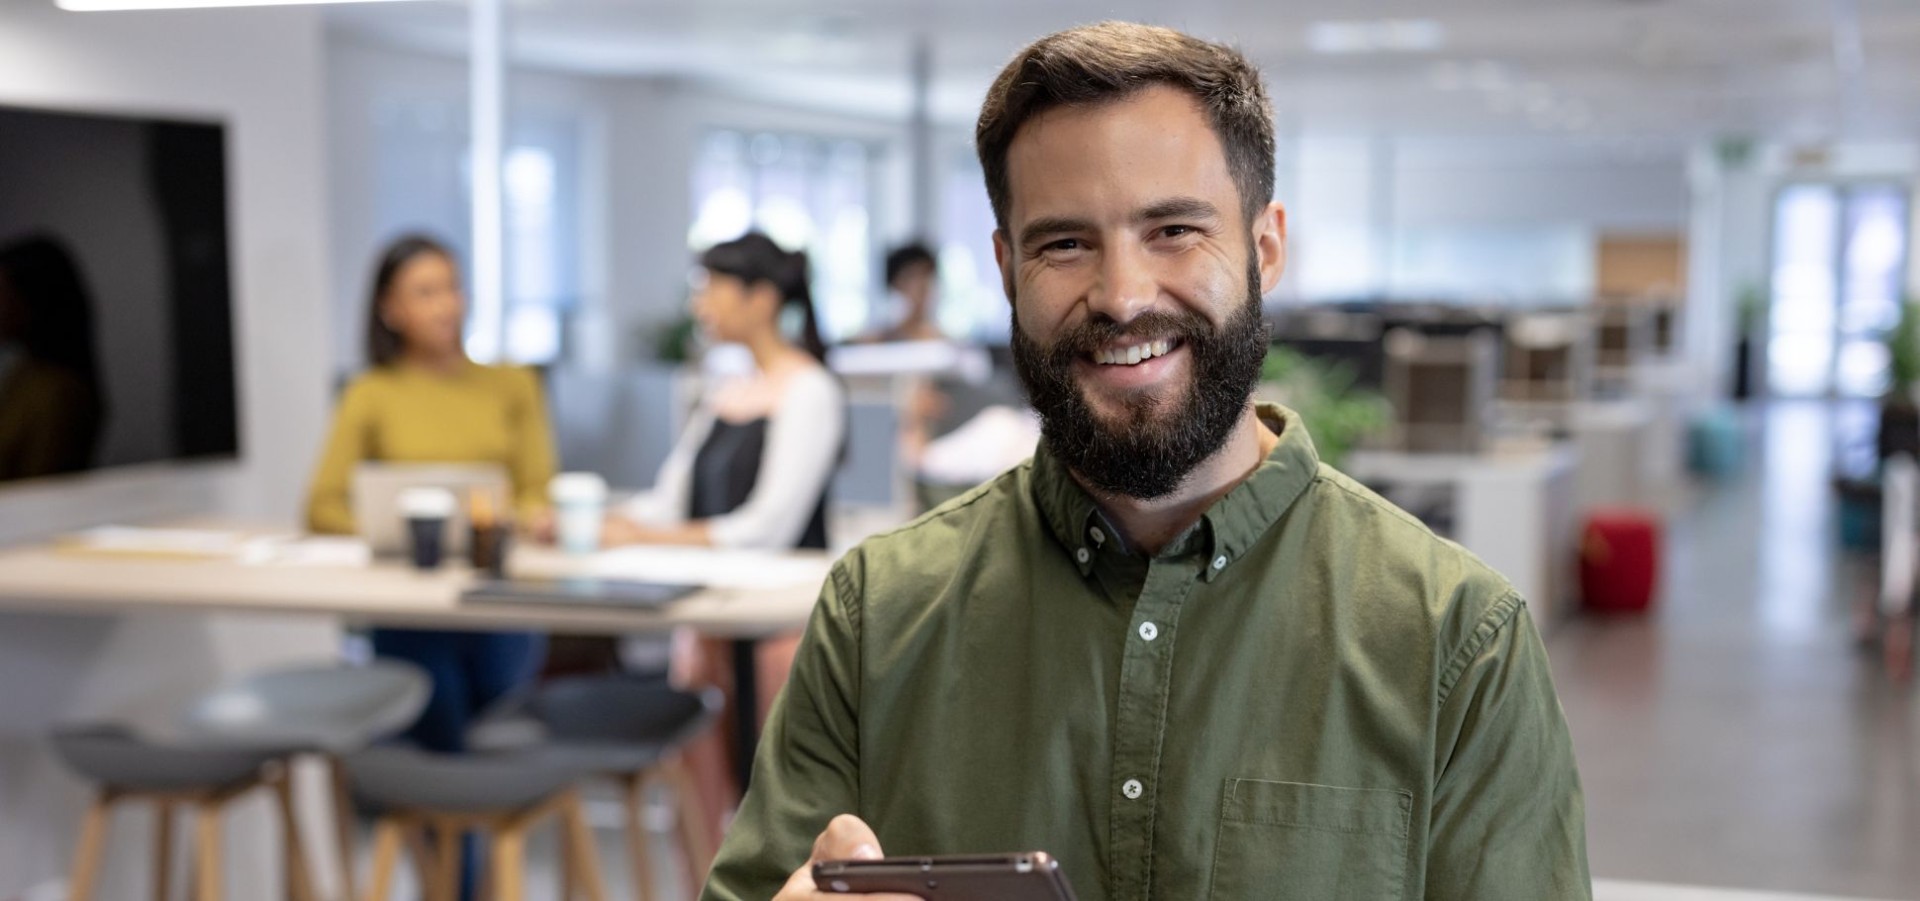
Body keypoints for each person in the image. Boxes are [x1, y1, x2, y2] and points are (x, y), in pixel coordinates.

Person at [703, 22, 1589, 901]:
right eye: (1064, 244)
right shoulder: (877, 617)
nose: (1122, 295)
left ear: (1266, 247)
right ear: (1008, 270)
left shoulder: (1457, 642)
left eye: (1172, 230)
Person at [306, 234, 557, 753]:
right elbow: (322, 506)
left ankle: (477, 828)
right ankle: (453, 833)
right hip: (409, 602)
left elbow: (538, 492)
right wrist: (395, 530)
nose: (447, 305)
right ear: (390, 309)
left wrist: (527, 516)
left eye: (452, 288)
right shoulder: (371, 392)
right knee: (435, 727)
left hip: (497, 594)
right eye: (425, 292)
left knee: (497, 730)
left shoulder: (514, 384)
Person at [606, 231, 846, 551]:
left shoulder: (810, 390)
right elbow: (669, 502)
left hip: (774, 595)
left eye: (712, 289)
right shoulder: (729, 388)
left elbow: (767, 531)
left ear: (761, 299)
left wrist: (643, 537)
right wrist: (599, 520)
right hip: (712, 583)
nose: (699, 305)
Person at [0, 234, 105, 482]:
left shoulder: (58, 393)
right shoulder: (25, 373)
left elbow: (39, 491)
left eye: (2, 293)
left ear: (34, 300)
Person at [864, 241, 943, 343]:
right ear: (895, 284)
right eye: (913, 277)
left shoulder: (943, 342)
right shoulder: (877, 340)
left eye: (927, 276)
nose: (922, 285)